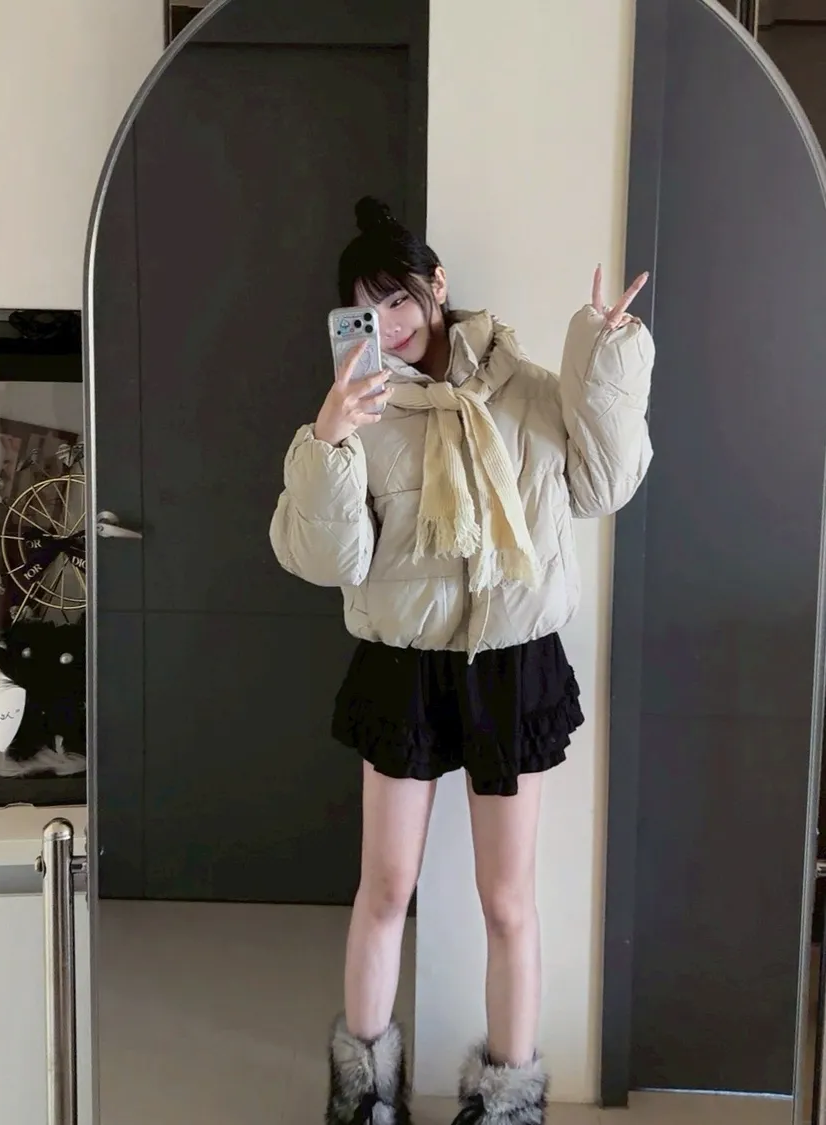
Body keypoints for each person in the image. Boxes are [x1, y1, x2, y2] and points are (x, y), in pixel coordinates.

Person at [269, 197, 654, 1125]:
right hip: (404, 667)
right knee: (384, 889)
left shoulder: (525, 389)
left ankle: (509, 1105)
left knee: (507, 901)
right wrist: (328, 437)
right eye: (367, 308)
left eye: (399, 298)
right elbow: (326, 559)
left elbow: (603, 485)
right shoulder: (363, 410)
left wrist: (606, 356)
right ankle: (363, 1099)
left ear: (436, 285)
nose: (389, 322)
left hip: (511, 665)